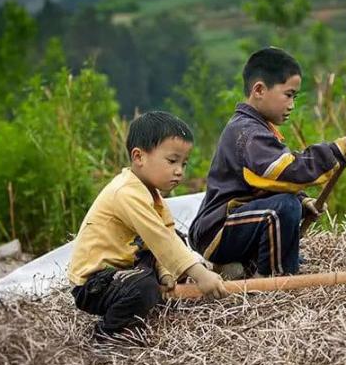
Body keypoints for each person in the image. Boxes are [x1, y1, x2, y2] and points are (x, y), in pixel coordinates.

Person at [188, 47, 346, 279]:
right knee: (284, 207)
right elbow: (288, 170)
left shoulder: (258, 129)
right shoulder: (247, 132)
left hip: (237, 222)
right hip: (216, 232)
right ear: (259, 90)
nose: (292, 104)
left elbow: (265, 185)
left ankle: (250, 267)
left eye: (295, 97)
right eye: (288, 94)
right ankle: (275, 279)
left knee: (291, 203)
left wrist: (303, 202)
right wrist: (334, 152)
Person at [68, 111, 228, 336]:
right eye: (172, 161)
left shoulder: (153, 196)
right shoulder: (126, 192)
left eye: (184, 163)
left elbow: (169, 235)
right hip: (96, 283)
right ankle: (110, 335)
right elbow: (159, 239)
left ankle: (154, 289)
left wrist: (166, 271)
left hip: (127, 263)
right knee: (142, 287)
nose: (179, 171)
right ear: (139, 157)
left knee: (178, 242)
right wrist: (201, 275)